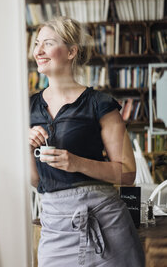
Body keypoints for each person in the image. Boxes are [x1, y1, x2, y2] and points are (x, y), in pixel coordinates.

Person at [29, 17, 144, 266]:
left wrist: (76, 162)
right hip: (55, 227)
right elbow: (37, 181)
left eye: (47, 44)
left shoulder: (100, 104)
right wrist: (26, 149)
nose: (37, 51)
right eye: (37, 43)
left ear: (71, 51)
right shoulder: (28, 108)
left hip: (107, 224)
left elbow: (127, 174)